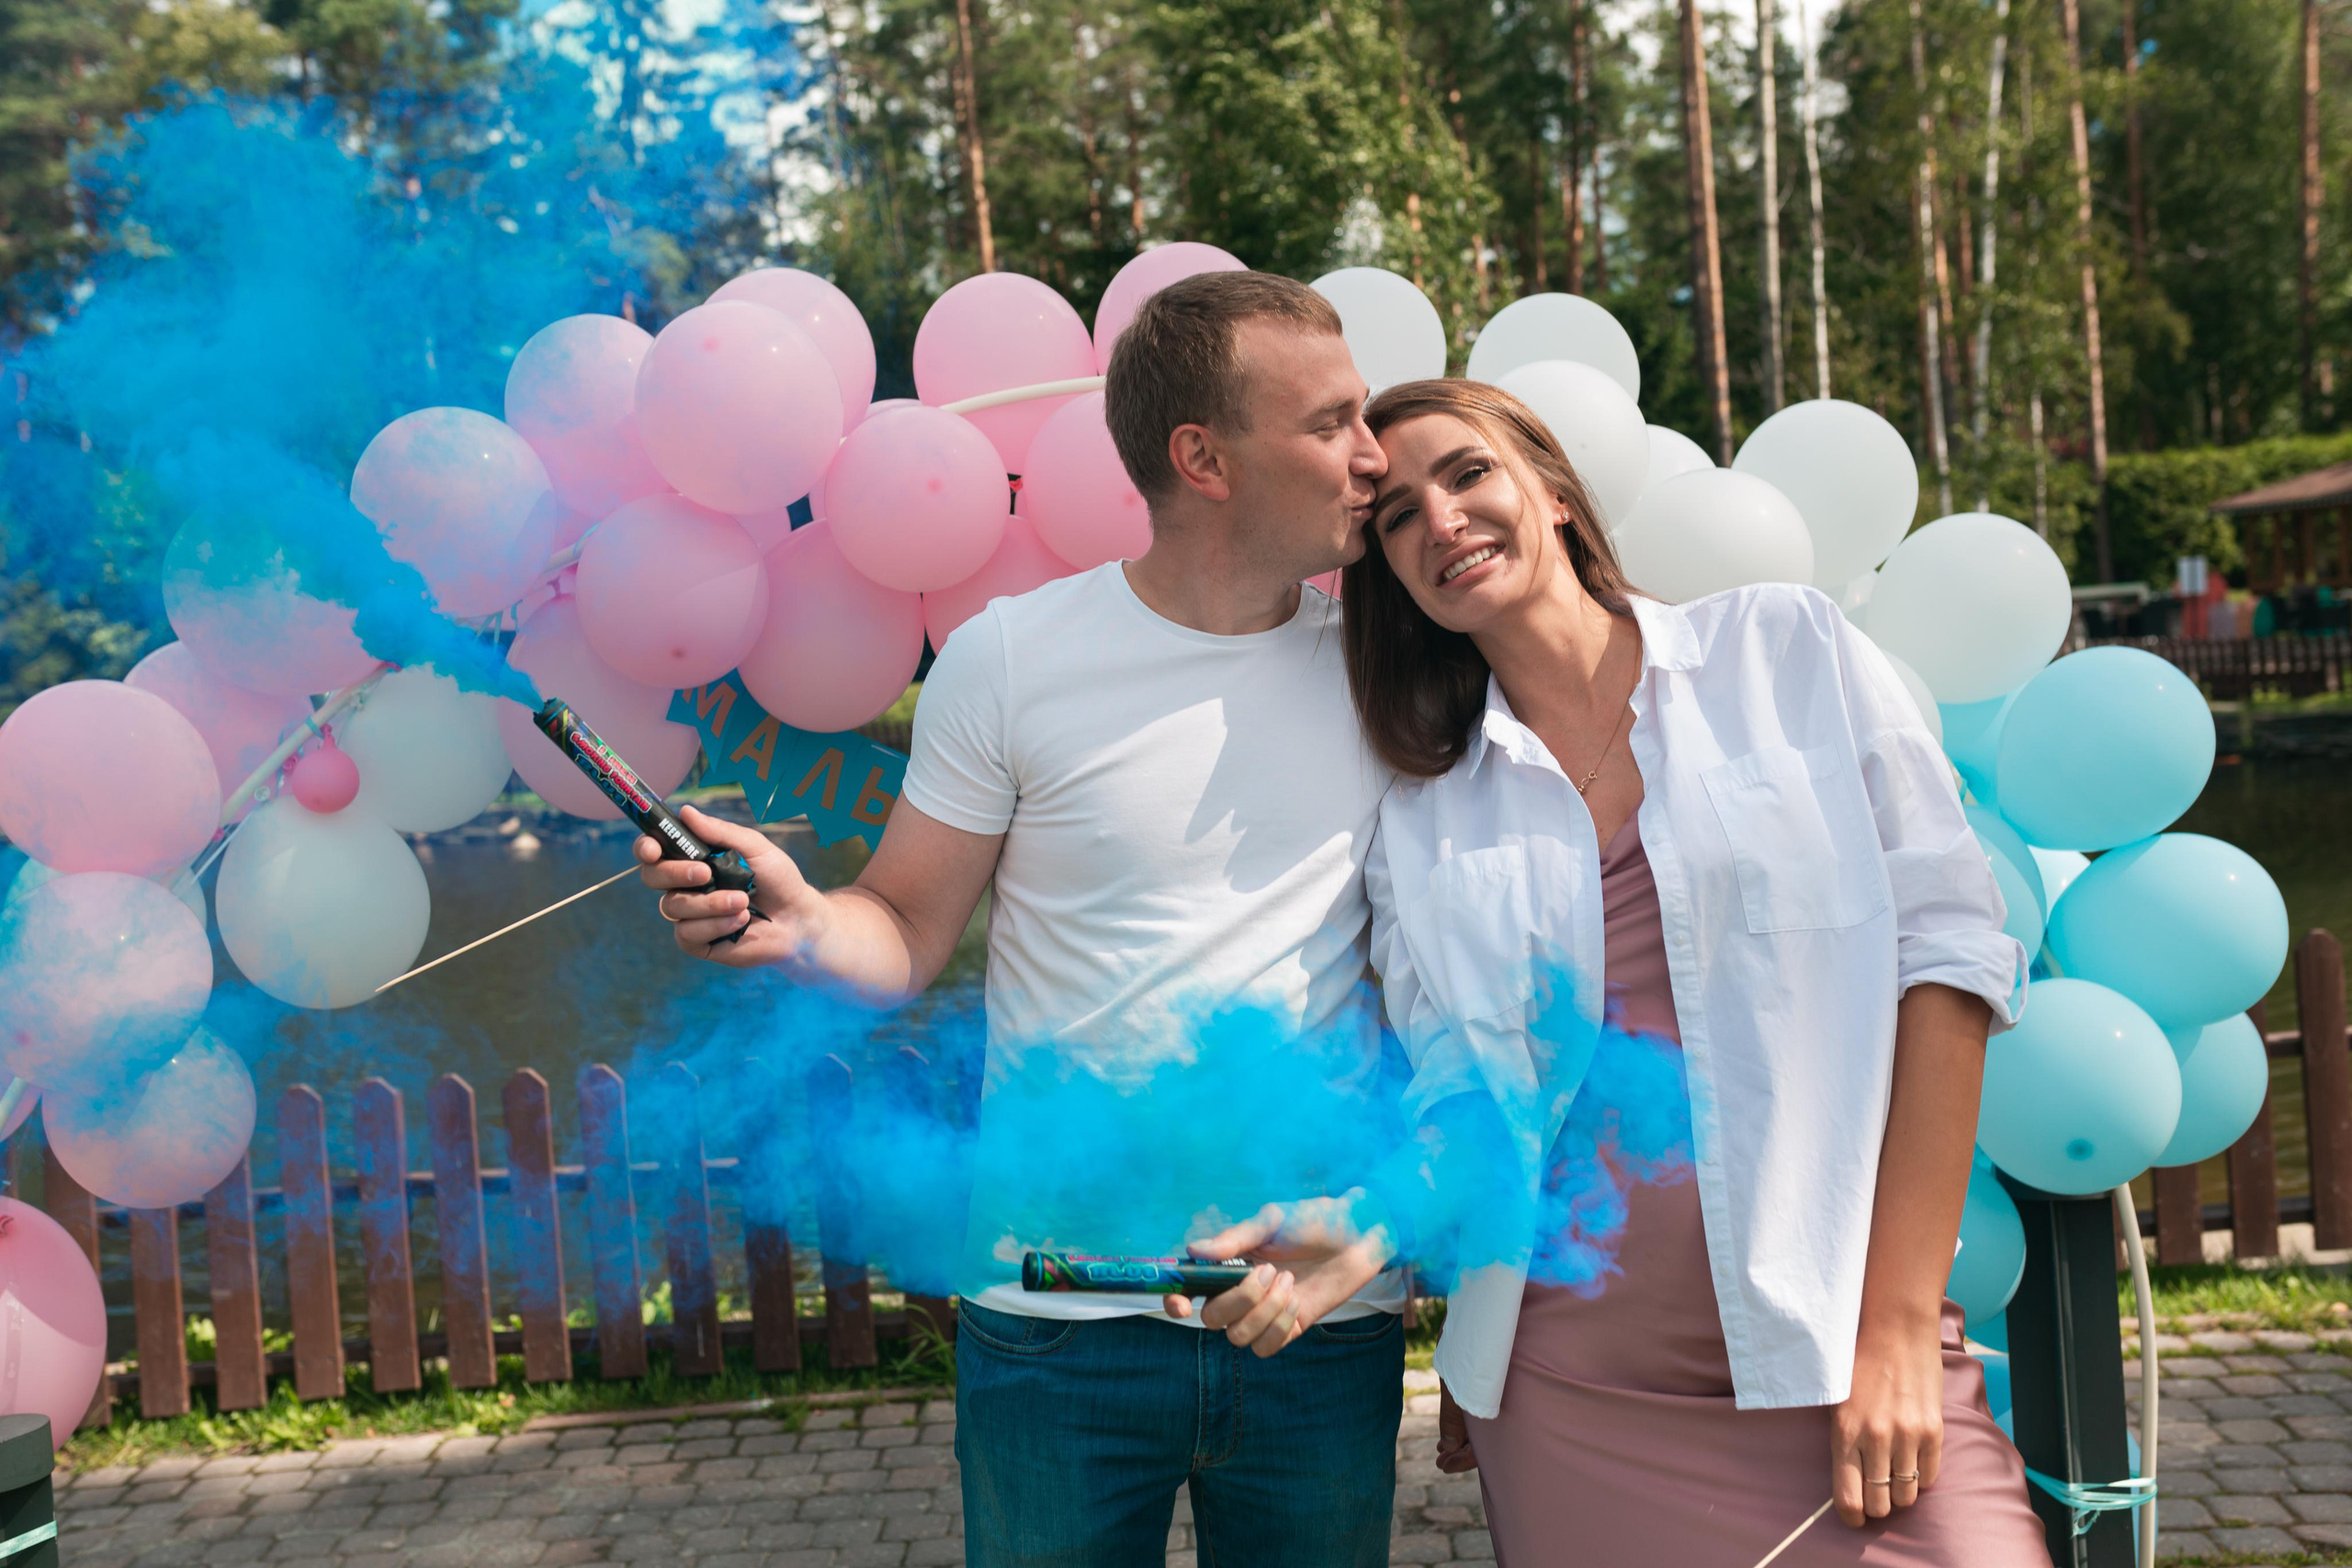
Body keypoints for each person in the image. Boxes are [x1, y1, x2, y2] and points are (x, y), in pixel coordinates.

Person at [1206, 378, 2054, 1565]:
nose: (1439, 522)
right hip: (1571, 1390)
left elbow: (1950, 960)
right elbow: (1464, 1094)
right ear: (1386, 571)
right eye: (1396, 516)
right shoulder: (1426, 808)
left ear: (1552, 491)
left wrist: (1900, 1327)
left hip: (1836, 1338)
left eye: (1466, 475)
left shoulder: (1785, 649)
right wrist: (1364, 1229)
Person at [635, 271, 1408, 1568]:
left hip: (1311, 1323)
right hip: (1057, 1322)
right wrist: (806, 919)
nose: (1372, 456)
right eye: (1331, 422)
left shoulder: (1392, 668)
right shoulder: (1011, 656)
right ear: (1203, 457)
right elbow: (905, 922)